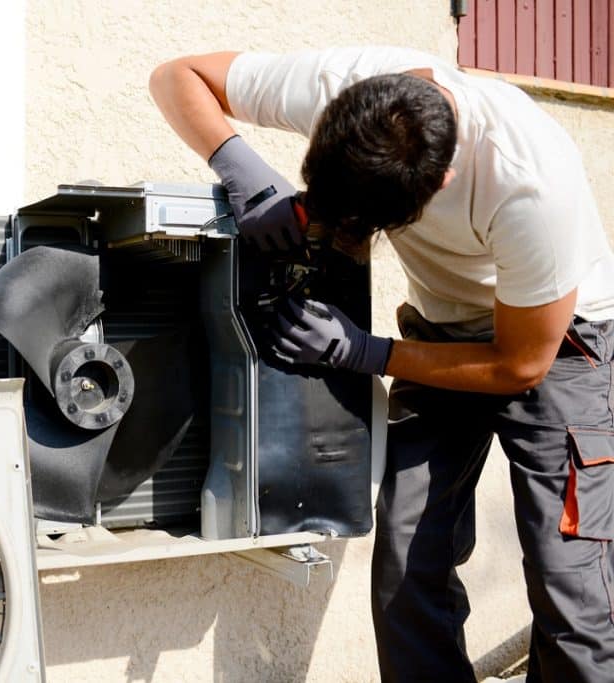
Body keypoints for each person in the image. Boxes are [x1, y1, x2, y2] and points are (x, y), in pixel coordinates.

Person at [149, 46, 614, 682]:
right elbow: (179, 76)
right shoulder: (345, 85)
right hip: (442, 330)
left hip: (558, 345)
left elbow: (520, 365)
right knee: (406, 563)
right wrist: (240, 166)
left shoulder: (531, 185)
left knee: (571, 586)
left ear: (440, 182)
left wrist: (370, 354)